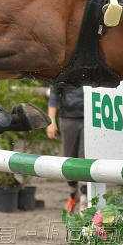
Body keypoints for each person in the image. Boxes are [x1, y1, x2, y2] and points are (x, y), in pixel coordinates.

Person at [46, 84, 87, 212]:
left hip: (89, 119)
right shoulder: (62, 69)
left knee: (84, 158)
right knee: (69, 158)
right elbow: (54, 95)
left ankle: (84, 199)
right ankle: (72, 194)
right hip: (68, 119)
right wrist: (51, 122)